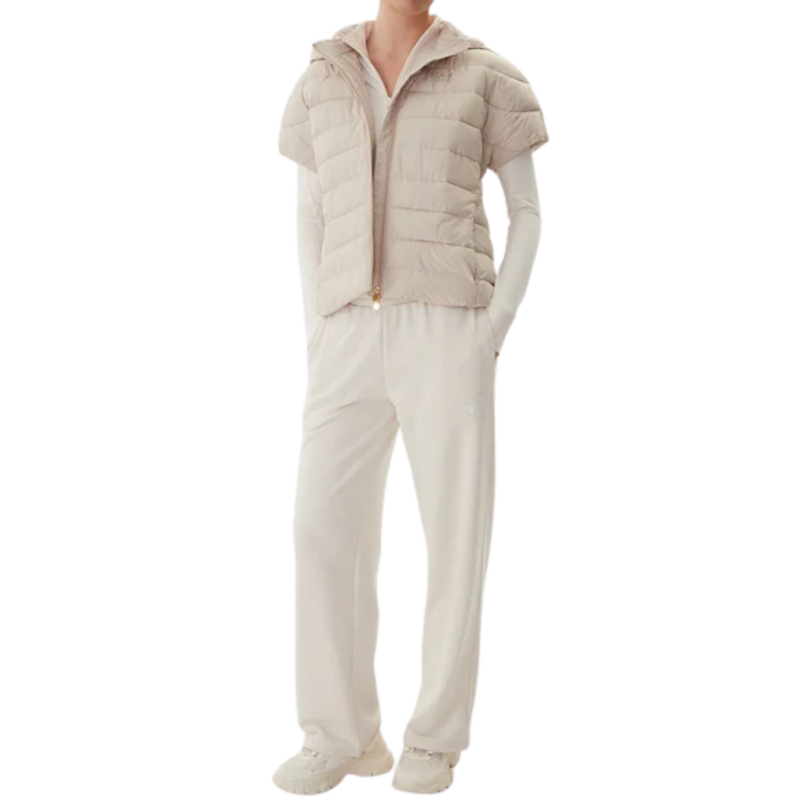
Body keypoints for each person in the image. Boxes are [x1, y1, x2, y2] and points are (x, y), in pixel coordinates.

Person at [272, 1, 552, 795]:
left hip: (448, 323)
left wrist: (490, 329)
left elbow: (527, 211)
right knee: (321, 529)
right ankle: (341, 735)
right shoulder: (321, 76)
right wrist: (318, 327)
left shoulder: (487, 73)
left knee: (456, 533)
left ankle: (433, 740)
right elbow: (307, 213)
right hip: (344, 334)